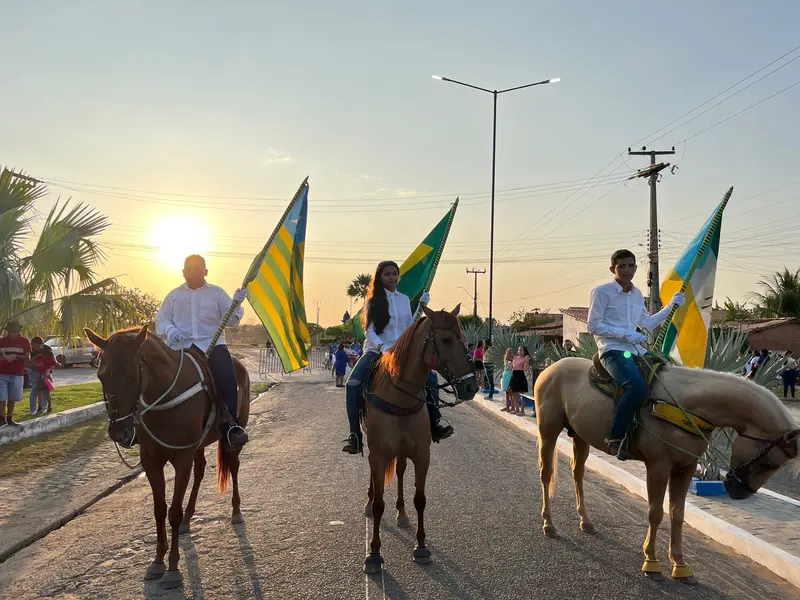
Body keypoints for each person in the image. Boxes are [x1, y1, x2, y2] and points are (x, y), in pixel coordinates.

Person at [341, 260, 453, 454]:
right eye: (387, 274)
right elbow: (369, 331)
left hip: (402, 351)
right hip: (377, 350)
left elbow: (409, 326)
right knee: (352, 384)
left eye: (394, 273)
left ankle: (435, 422)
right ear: (380, 277)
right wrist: (383, 346)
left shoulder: (403, 299)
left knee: (432, 377)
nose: (392, 277)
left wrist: (422, 305)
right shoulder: (372, 301)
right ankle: (355, 435)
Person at [587, 249, 685, 461]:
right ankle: (615, 437)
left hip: (636, 349)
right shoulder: (602, 292)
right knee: (636, 386)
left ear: (635, 268)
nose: (626, 270)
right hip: (611, 349)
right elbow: (593, 325)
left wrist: (671, 306)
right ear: (613, 268)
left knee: (664, 378)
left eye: (631, 265)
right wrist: (626, 334)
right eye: (621, 266)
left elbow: (647, 322)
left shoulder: (638, 293)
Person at [156, 254, 249, 451]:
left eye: (197, 269)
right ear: (182, 272)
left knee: (227, 376)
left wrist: (236, 304)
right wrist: (170, 330)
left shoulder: (217, 294)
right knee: (152, 376)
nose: (192, 273)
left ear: (205, 271)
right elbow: (161, 320)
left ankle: (231, 425)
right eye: (188, 270)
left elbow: (232, 321)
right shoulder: (173, 295)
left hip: (212, 346)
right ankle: (142, 425)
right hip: (180, 348)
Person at [0, 320, 31, 428]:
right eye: (9, 331)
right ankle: (2, 419)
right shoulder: (2, 341)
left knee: (13, 398)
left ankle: (9, 418)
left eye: (13, 331)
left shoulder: (24, 342)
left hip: (17, 373)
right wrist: (4, 358)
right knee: (1, 398)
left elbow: (27, 358)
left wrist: (16, 356)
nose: (11, 333)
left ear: (18, 331)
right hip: (2, 373)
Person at [27, 337, 58, 414]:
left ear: (41, 344)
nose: (34, 348)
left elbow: (54, 363)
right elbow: (28, 362)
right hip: (35, 371)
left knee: (45, 391)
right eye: (33, 346)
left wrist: (49, 371)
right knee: (37, 390)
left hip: (45, 373)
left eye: (35, 346)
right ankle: (37, 409)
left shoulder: (48, 351)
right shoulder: (32, 350)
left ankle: (47, 406)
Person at [510, 346, 531, 415]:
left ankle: (522, 411)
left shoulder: (525, 358)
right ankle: (517, 409)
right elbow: (513, 367)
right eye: (518, 350)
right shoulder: (515, 357)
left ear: (524, 351)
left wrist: (527, 361)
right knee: (513, 392)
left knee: (522, 393)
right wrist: (510, 365)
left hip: (520, 375)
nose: (519, 351)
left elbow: (525, 369)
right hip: (514, 374)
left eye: (521, 350)